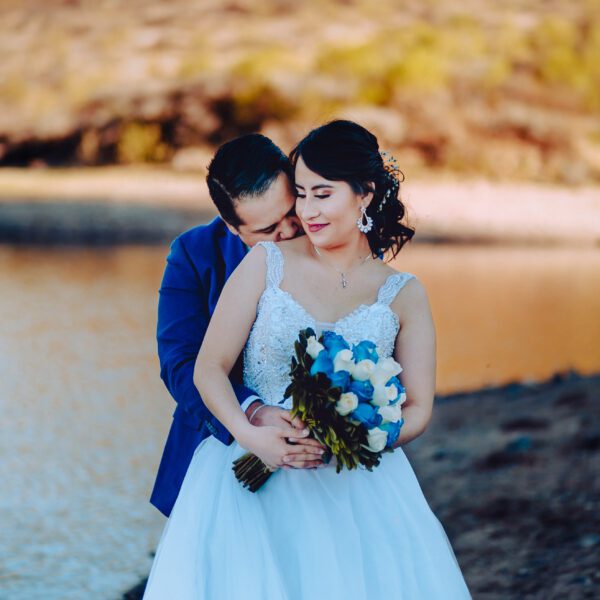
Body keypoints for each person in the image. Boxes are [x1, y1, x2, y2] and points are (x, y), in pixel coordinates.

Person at [143, 120, 471, 598]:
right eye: (269, 227)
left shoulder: (380, 274)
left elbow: (411, 396)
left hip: (351, 482)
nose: (296, 224)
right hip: (239, 457)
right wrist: (252, 423)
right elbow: (187, 364)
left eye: (298, 202)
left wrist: (356, 433)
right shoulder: (216, 257)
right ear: (234, 228)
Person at [150, 133, 325, 518]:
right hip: (220, 452)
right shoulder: (194, 254)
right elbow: (179, 362)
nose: (289, 231)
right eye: (267, 229)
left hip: (324, 459)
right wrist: (252, 412)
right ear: (232, 226)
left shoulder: (329, 235)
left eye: (290, 212)